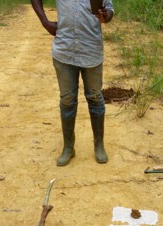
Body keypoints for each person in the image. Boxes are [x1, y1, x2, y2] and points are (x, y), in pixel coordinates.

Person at [31, 0, 114, 166]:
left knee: (95, 98)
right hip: (64, 50)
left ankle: (99, 145)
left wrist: (105, 16)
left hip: (91, 50)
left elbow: (109, 11)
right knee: (67, 100)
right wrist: (45, 22)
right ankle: (68, 147)